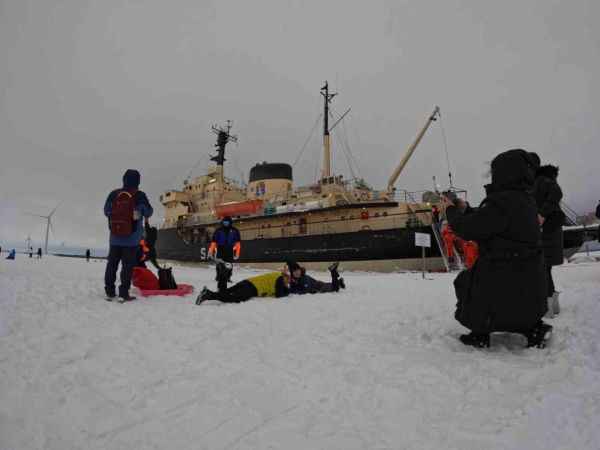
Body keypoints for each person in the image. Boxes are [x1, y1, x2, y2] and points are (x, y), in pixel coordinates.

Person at [442, 149, 550, 348]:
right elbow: (493, 221)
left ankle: (480, 330)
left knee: (466, 282)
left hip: (501, 272)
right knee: (519, 294)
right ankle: (532, 327)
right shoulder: (525, 199)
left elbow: (468, 228)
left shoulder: (501, 202)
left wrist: (450, 210)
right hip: (529, 276)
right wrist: (468, 210)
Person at [103, 169, 153, 302]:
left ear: (123, 179)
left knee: (112, 265)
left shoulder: (114, 194)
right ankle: (123, 293)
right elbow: (148, 212)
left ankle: (109, 292)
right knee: (127, 267)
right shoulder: (140, 195)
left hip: (114, 237)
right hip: (131, 239)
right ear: (138, 181)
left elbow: (106, 211)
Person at [531, 160, 564, 317]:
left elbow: (556, 192)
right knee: (545, 268)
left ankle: (548, 306)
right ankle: (553, 304)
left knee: (542, 268)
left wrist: (541, 214)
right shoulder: (546, 180)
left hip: (546, 232)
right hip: (552, 231)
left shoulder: (542, 181)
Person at [196, 270, 290, 304]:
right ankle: (208, 294)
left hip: (247, 281)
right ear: (285, 276)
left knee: (227, 291)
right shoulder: (280, 279)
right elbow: (279, 294)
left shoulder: (276, 274)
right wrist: (287, 289)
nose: (287, 282)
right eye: (287, 280)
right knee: (234, 298)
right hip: (253, 288)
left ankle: (207, 292)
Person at [208, 216, 241, 292]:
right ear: (222, 222)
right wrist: (210, 251)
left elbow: (238, 243)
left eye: (227, 222)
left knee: (229, 264)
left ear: (230, 223)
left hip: (229, 249)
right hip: (220, 249)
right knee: (220, 264)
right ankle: (218, 277)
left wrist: (237, 253)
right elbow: (214, 242)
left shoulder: (235, 231)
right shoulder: (218, 230)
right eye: (224, 222)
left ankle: (228, 277)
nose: (226, 223)